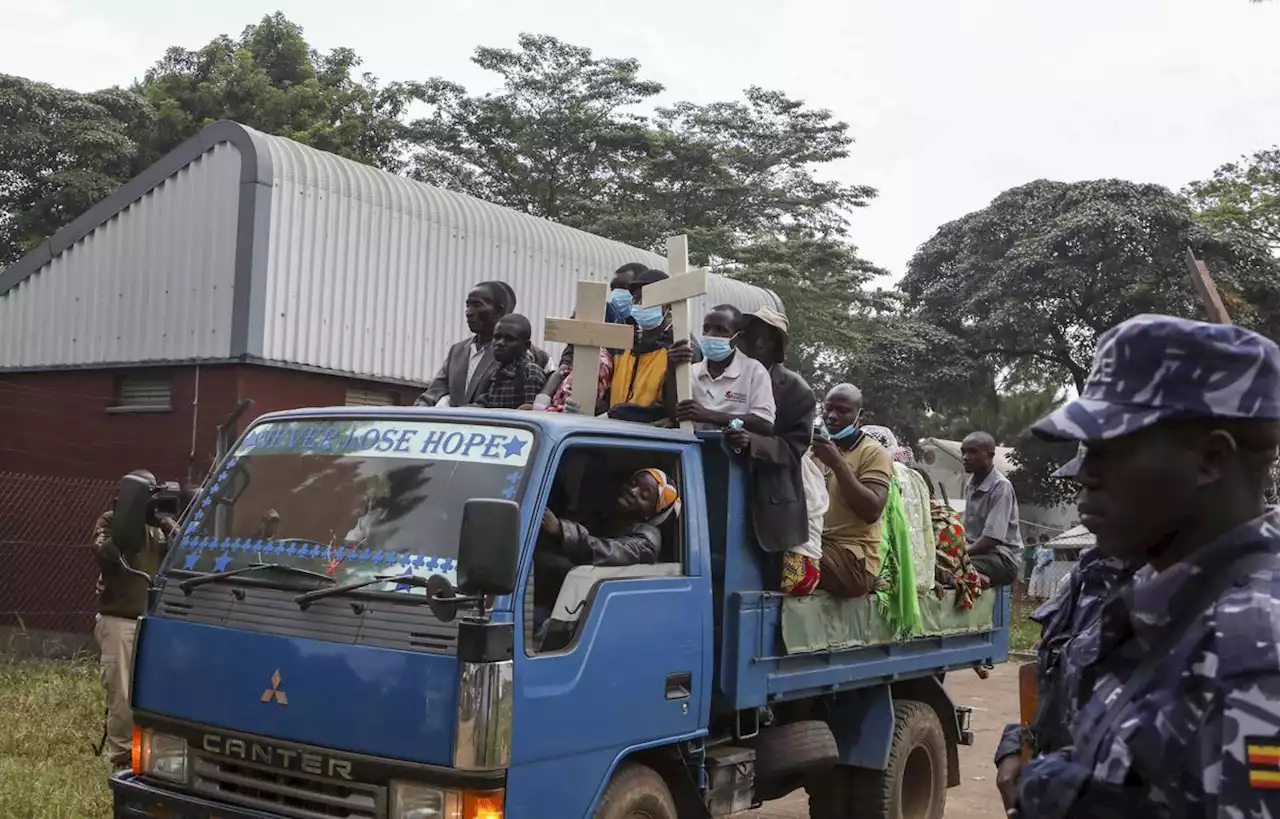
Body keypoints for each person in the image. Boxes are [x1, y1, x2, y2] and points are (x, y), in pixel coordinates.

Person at [1013, 314, 1280, 819]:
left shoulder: (1255, 648)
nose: (1085, 474)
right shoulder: (1162, 602)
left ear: (1210, 459)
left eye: (1112, 448)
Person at [993, 444, 1139, 812]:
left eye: (1101, 484)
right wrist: (1018, 745)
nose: (1083, 501)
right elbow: (1056, 678)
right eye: (1081, 485)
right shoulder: (1090, 572)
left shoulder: (1198, 595)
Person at [722, 308, 822, 593]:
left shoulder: (796, 391)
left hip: (771, 502)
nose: (758, 344)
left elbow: (794, 449)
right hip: (723, 491)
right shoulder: (723, 375)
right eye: (753, 335)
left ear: (777, 346)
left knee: (762, 583)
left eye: (767, 339)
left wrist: (753, 442)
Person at [90, 470, 175, 769]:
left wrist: (167, 522)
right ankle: (122, 757)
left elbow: (180, 552)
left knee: (155, 690)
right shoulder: (112, 520)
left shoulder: (158, 529)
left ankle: (155, 753)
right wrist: (128, 527)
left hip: (154, 621)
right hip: (120, 619)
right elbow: (105, 553)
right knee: (122, 692)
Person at [532, 468, 680, 628]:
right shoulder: (608, 518)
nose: (633, 491)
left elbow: (610, 552)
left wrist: (561, 530)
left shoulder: (648, 540)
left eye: (644, 495)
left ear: (651, 513)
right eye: (633, 483)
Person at [810, 384, 893, 598]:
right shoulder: (813, 450)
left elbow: (872, 510)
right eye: (827, 409)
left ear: (859, 414)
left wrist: (838, 465)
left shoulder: (873, 453)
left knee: (793, 561)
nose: (832, 416)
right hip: (818, 544)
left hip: (854, 559)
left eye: (842, 410)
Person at [604, 268, 688, 423]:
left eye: (647, 299)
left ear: (667, 305)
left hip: (650, 439)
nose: (639, 305)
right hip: (612, 435)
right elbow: (608, 396)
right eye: (636, 299)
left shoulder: (679, 348)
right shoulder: (622, 346)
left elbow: (677, 409)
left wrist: (619, 414)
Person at [675, 304, 775, 434]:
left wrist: (709, 415)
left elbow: (765, 423)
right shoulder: (692, 371)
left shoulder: (754, 372)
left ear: (737, 337)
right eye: (706, 328)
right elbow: (676, 413)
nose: (710, 335)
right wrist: (673, 367)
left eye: (721, 330)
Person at [415, 282, 512, 407]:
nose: (469, 312)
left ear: (499, 311)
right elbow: (434, 393)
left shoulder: (510, 353)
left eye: (477, 305)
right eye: (468, 306)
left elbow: (491, 402)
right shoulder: (457, 351)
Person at [960, 431, 1022, 586]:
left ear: (990, 454)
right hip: (979, 556)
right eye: (963, 452)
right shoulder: (971, 485)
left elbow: (992, 538)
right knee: (941, 566)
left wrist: (961, 554)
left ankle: (979, 577)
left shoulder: (1001, 487)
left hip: (1002, 559)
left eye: (972, 452)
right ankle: (978, 577)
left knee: (951, 567)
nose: (965, 457)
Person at [473, 314, 548, 410]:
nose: (500, 343)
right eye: (497, 337)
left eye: (510, 339)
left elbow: (531, 416)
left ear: (526, 345)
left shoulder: (530, 373)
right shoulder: (494, 372)